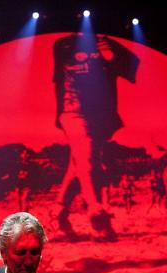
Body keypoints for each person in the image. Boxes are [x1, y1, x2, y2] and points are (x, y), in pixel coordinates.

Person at [52, 32, 139, 241]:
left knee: (79, 163)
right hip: (72, 112)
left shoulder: (108, 44)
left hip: (99, 115)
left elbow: (131, 69)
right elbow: (60, 72)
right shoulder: (64, 44)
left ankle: (59, 212)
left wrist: (110, 57)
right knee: (88, 161)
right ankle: (97, 216)